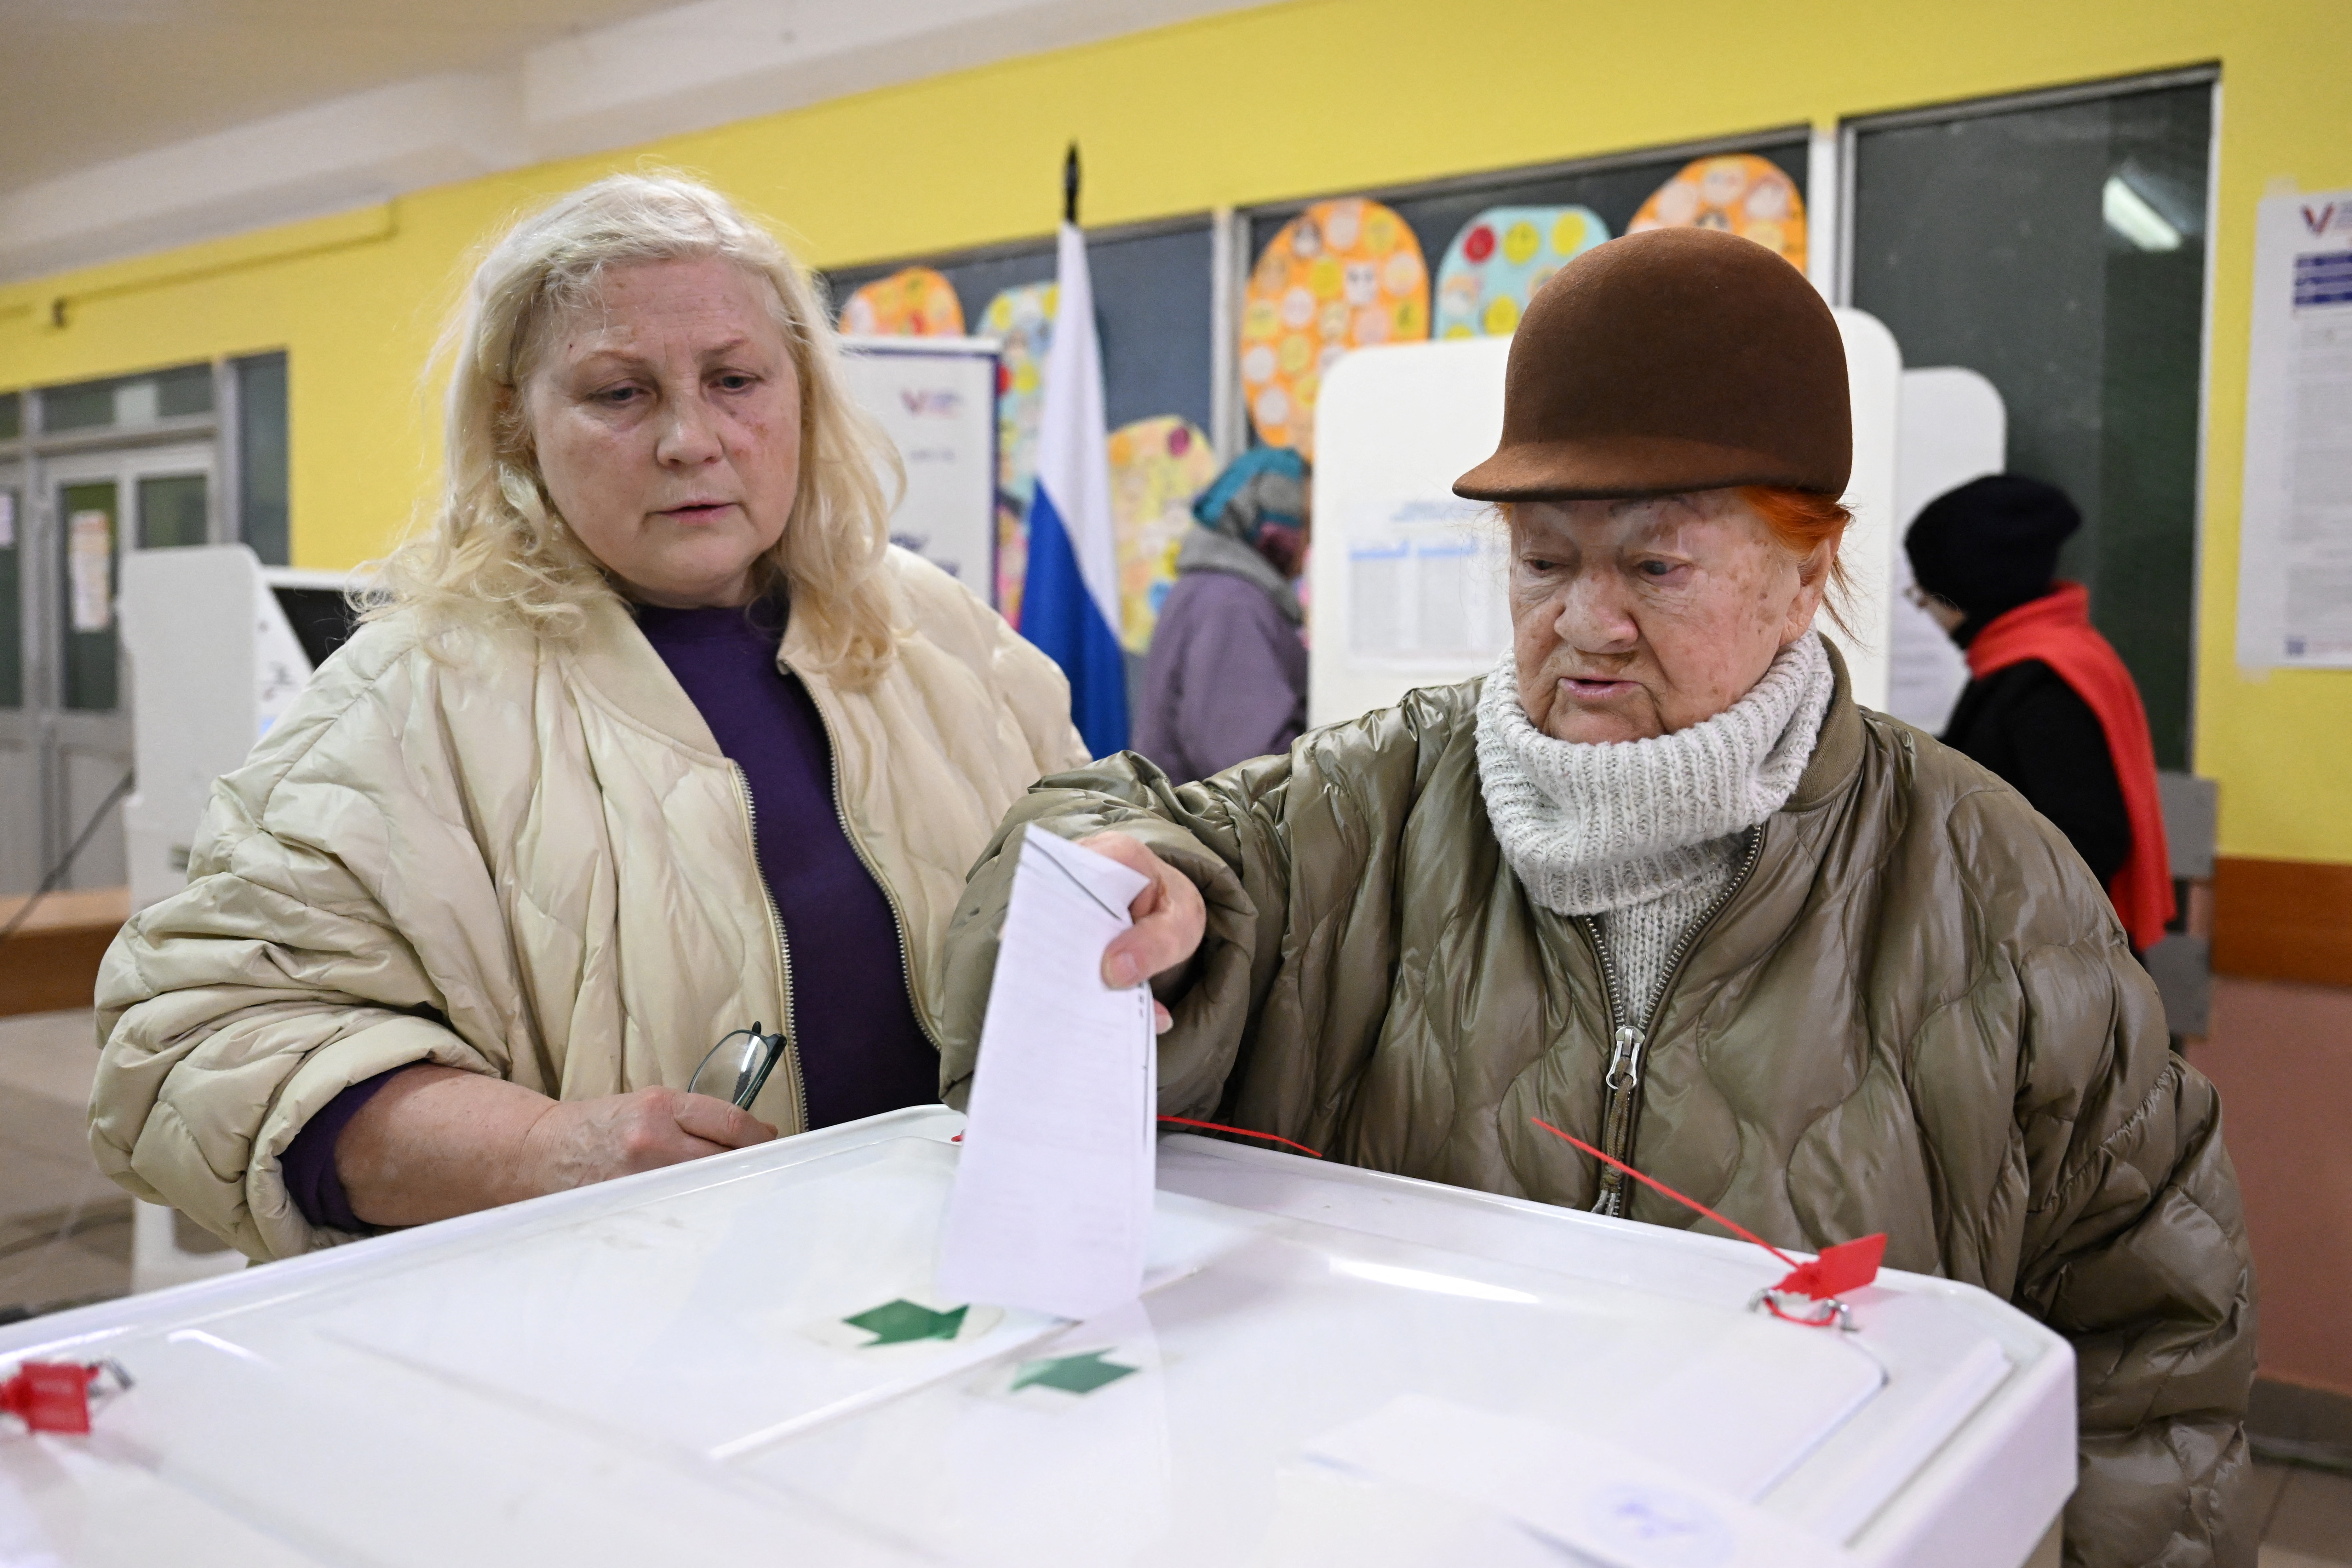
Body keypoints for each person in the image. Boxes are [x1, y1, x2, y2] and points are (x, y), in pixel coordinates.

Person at [939, 230, 2253, 1564]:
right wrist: (1120, 888)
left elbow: (2158, 1349)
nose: (1585, 621)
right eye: (1543, 559)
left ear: (1806, 575)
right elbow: (1094, 838)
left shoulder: (1991, 882)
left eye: (1654, 565)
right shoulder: (1370, 804)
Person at [88, 174, 1087, 1262]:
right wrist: (544, 1152)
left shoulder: (940, 638)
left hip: (967, 1295)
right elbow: (191, 1048)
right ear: (515, 424)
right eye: (620, 394)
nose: (690, 439)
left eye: (736, 379)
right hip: (613, 1353)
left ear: (801, 391)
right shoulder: (410, 700)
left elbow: (1106, 864)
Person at [1905, 475, 2175, 951]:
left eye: (1927, 593)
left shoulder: (2041, 683)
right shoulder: (2048, 657)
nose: (1926, 608)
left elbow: (2084, 838)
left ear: (1967, 588)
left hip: (2053, 971)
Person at [1131, 447, 1310, 782]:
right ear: (1276, 530)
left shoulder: (1209, 588)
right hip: (1208, 832)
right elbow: (1250, 770)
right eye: (1307, 523)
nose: (1311, 542)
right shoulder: (1234, 605)